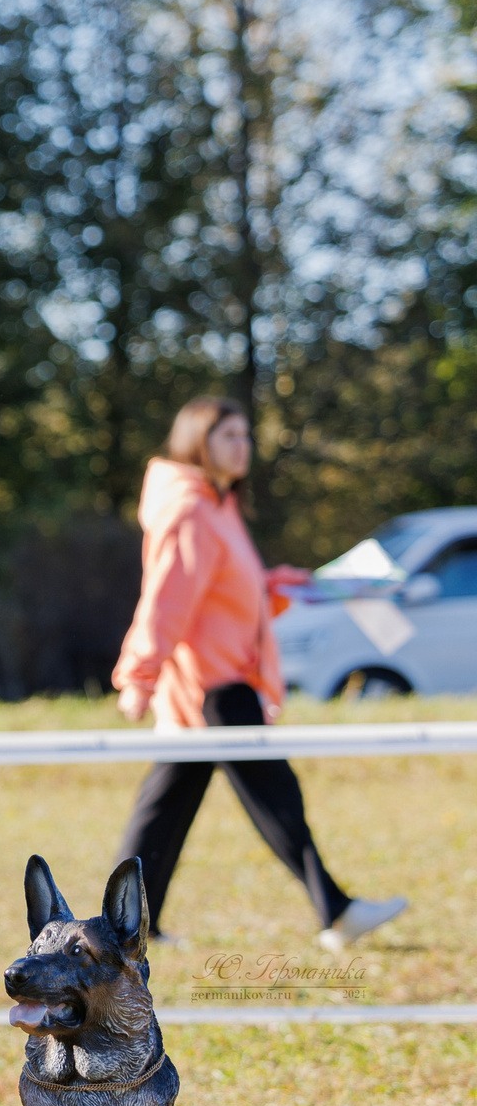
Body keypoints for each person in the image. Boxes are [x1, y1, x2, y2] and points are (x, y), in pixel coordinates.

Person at [113, 396, 406, 951]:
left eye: (246, 435)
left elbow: (227, 591)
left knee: (165, 810)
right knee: (276, 798)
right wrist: (140, 675)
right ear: (198, 441)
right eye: (229, 436)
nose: (242, 446)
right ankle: (337, 912)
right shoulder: (193, 511)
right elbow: (169, 599)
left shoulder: (217, 506)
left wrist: (277, 586)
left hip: (217, 684)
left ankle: (122, 930)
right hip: (215, 690)